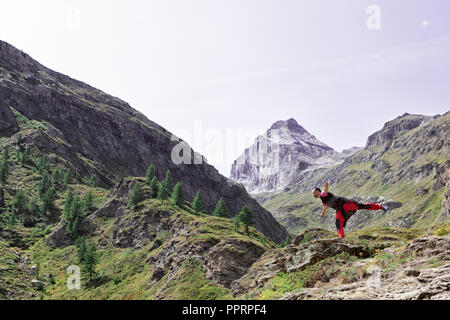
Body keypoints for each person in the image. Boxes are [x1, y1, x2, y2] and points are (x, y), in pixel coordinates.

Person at [313, 181, 388, 238]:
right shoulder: (323, 201)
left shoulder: (323, 193)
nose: (313, 194)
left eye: (314, 193)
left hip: (345, 203)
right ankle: (341, 238)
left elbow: (325, 189)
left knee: (361, 206)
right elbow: (325, 208)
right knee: (338, 223)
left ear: (317, 191)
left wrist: (326, 185)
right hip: (340, 208)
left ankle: (380, 206)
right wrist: (322, 214)